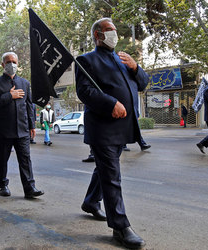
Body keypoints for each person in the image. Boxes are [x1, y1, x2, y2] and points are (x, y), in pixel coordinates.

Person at [75, 18, 148, 249]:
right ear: (98, 34)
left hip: (123, 128)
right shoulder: (86, 60)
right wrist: (110, 103)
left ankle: (90, 202)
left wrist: (136, 67)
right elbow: (84, 92)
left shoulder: (122, 59)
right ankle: (120, 227)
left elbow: (143, 84)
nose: (114, 34)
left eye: (115, 30)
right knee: (112, 176)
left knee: (105, 169)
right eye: (109, 30)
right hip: (103, 128)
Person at [0, 51, 44, 199]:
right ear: (2, 64)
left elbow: (28, 105)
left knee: (25, 159)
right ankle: (3, 185)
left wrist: (32, 125)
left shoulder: (24, 83)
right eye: (8, 62)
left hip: (22, 130)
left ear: (18, 64)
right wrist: (9, 96)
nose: (11, 64)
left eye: (14, 62)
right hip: (4, 130)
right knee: (2, 159)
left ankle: (30, 188)